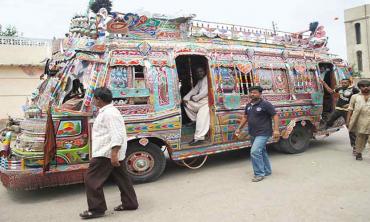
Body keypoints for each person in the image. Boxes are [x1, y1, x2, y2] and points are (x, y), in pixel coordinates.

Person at [80, 87, 138, 219]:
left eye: (94, 98)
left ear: (99, 99)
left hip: (105, 153)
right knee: (122, 178)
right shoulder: (107, 111)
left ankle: (96, 209)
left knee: (91, 179)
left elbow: (117, 134)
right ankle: (130, 203)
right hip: (110, 152)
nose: (93, 100)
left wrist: (113, 154)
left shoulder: (110, 113)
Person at [235, 86, 280, 182]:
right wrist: (239, 128)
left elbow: (275, 116)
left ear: (260, 94)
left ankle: (259, 174)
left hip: (263, 132)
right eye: (251, 92)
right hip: (253, 132)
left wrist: (276, 130)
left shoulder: (266, 104)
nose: (252, 94)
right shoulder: (248, 105)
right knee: (261, 151)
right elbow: (245, 117)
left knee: (254, 152)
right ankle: (267, 170)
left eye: (254, 92)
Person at [320, 78, 359, 152]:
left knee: (350, 128)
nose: (343, 84)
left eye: (345, 83)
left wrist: (349, 104)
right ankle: (325, 128)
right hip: (338, 109)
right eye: (342, 83)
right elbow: (331, 92)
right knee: (330, 119)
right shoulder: (340, 88)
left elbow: (359, 97)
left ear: (349, 83)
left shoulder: (354, 89)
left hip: (347, 111)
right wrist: (324, 83)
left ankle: (355, 146)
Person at [183, 67, 210, 146]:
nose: (199, 73)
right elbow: (194, 90)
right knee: (185, 103)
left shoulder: (207, 79)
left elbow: (204, 93)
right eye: (198, 72)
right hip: (200, 102)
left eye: (201, 71)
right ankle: (194, 119)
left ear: (204, 71)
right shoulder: (200, 81)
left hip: (207, 102)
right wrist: (185, 98)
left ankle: (199, 138)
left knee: (201, 117)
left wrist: (194, 98)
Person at [346, 80, 370, 161]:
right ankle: (359, 153)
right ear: (359, 88)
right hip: (360, 121)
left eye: (368, 86)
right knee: (360, 138)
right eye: (363, 86)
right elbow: (350, 108)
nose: (366, 87)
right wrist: (348, 120)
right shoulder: (355, 97)